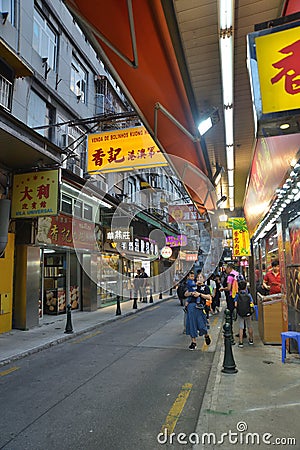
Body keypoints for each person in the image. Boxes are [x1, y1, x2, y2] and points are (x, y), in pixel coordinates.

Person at [184, 271, 211, 350]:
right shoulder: (193, 285)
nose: (199, 279)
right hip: (191, 307)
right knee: (191, 324)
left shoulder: (206, 287)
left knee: (202, 325)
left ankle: (206, 335)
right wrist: (191, 293)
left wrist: (200, 295)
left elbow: (209, 297)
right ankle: (193, 342)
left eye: (200, 277)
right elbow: (185, 294)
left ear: (204, 279)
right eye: (198, 277)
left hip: (200, 308)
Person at [234, 280, 254, 348]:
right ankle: (251, 340)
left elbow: (235, 304)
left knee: (241, 327)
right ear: (245, 287)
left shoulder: (237, 295)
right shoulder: (248, 295)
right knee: (249, 326)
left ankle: (241, 342)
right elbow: (252, 304)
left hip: (240, 313)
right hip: (248, 313)